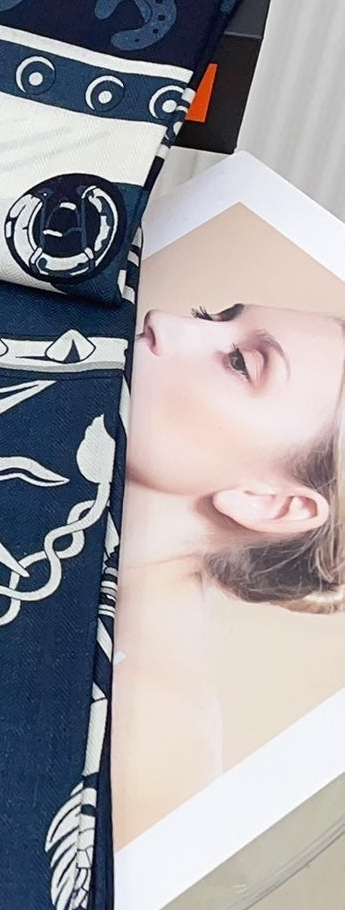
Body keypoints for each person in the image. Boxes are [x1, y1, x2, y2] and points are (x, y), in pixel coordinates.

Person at [112, 301, 345, 844]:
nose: (162, 319)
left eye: (241, 362)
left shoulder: (154, 738)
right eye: (211, 317)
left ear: (271, 503)